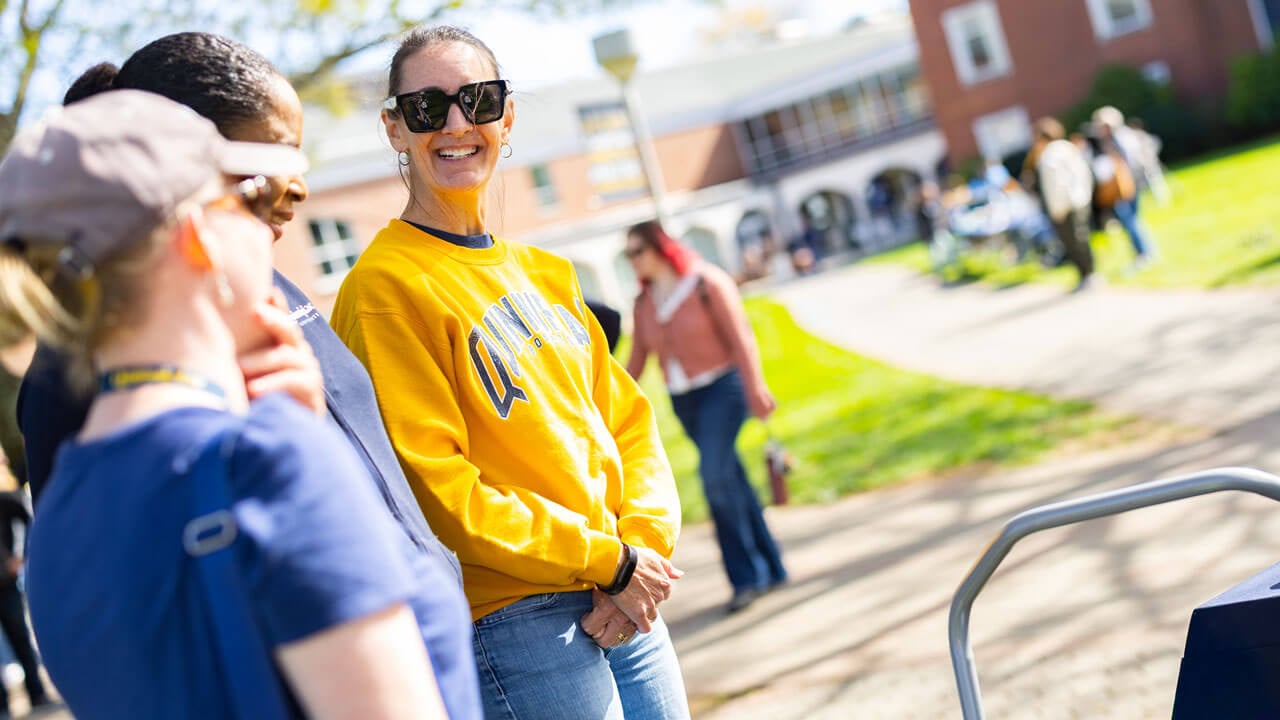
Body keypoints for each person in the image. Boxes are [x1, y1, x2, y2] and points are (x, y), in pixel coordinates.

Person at [14, 33, 481, 719]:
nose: (286, 202)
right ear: (196, 232)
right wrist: (299, 446)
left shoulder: (55, 526)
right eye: (254, 194)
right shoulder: (267, 463)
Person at [329, 25, 689, 720]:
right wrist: (607, 560)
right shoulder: (384, 289)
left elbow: (629, 427)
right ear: (395, 129)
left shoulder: (545, 275)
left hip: (622, 591)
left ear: (507, 115)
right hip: (518, 618)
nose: (458, 124)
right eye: (429, 108)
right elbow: (438, 492)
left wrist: (639, 548)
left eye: (479, 99)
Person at [623, 220, 788, 614]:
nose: (632, 261)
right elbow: (635, 364)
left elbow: (741, 338)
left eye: (637, 252)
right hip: (686, 402)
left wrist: (757, 388)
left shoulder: (704, 283)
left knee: (714, 479)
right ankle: (773, 567)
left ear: (660, 247)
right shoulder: (644, 303)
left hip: (723, 391)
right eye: (628, 255)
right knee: (730, 477)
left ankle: (746, 579)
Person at [0, 454, 54, 719]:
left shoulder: (4, 497)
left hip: (5, 582)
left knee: (20, 636)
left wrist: (19, 555)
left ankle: (36, 692)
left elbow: (28, 520)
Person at [1024, 117, 1097, 291]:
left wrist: (1058, 208)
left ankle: (1089, 274)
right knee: (1077, 239)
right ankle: (1086, 274)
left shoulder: (1051, 154)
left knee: (1075, 241)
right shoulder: (1066, 148)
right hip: (1078, 200)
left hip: (1065, 205)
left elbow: (1057, 184)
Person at [1090, 107, 1158, 269]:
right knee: (1133, 220)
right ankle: (1145, 252)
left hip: (1126, 185)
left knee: (1130, 220)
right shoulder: (1118, 137)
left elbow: (1129, 163)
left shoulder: (1119, 139)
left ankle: (1143, 254)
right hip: (1127, 184)